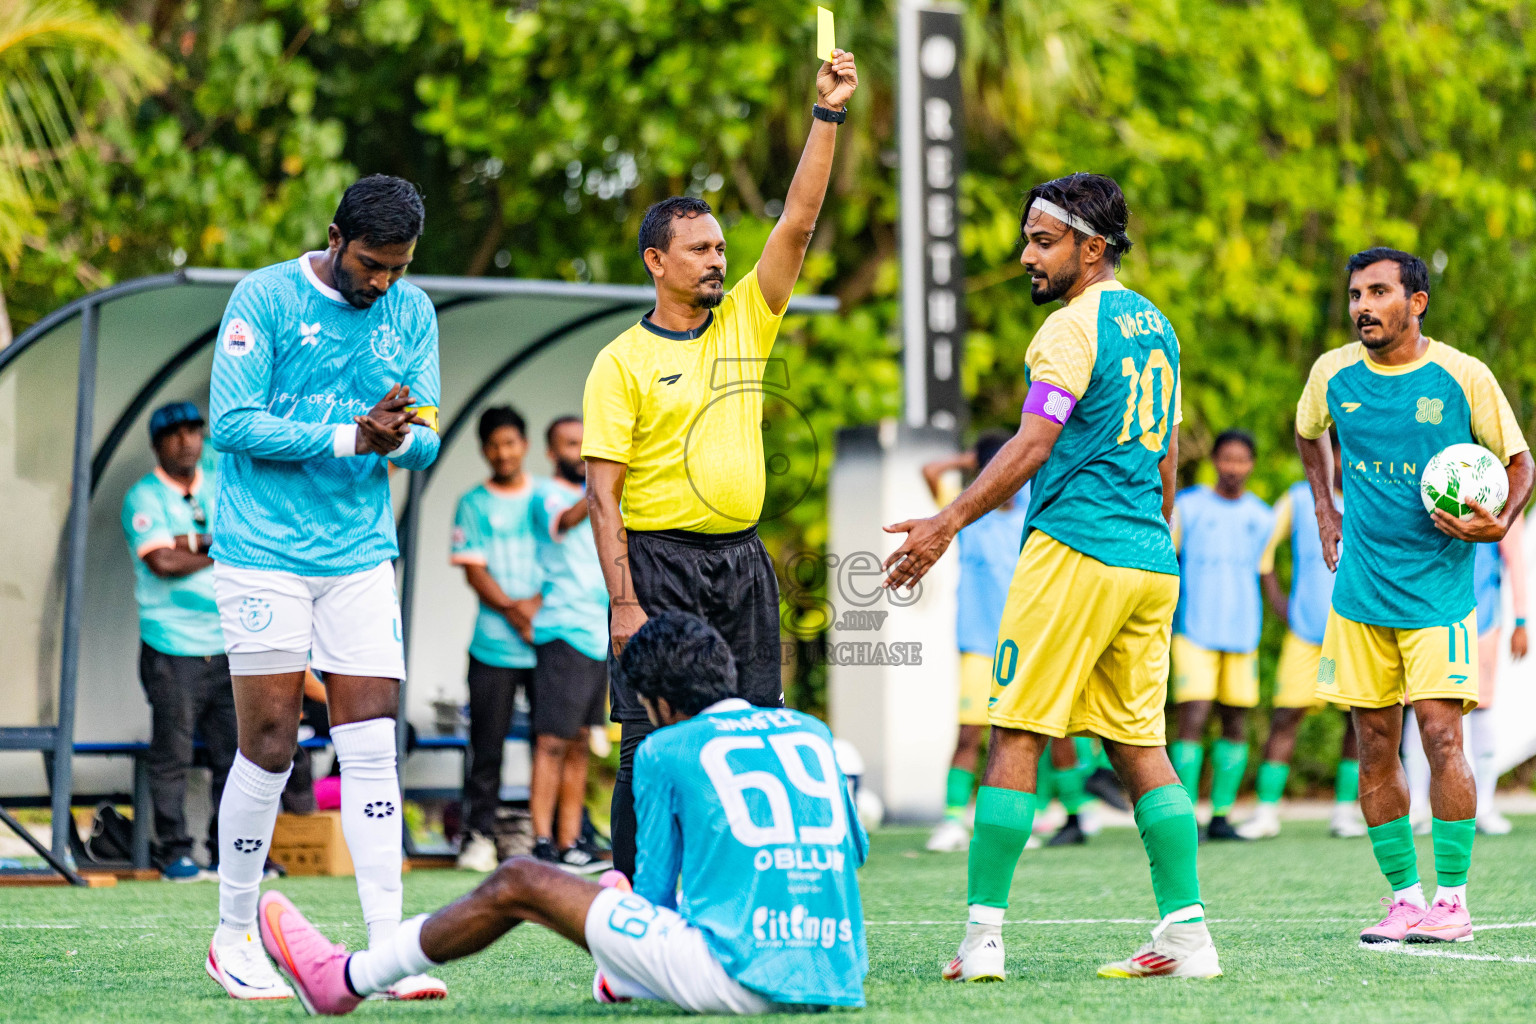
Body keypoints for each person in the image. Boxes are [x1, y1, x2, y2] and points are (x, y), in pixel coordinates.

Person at [883, 173, 1220, 981]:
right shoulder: (1158, 325)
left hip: (1074, 551)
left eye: (1042, 241)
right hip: (1148, 560)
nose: (1026, 256)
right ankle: (1188, 938)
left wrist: (943, 525)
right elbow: (1167, 448)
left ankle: (982, 941)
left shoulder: (1072, 328)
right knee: (1141, 747)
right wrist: (1157, 529)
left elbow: (1032, 445)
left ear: (1091, 248)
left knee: (1016, 733)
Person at [256, 612, 869, 1016]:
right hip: (837, 974)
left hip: (740, 978)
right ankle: (623, 974)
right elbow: (854, 852)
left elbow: (652, 897)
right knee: (608, 894)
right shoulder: (810, 732)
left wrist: (617, 913)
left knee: (522, 879)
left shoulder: (666, 746)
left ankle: (347, 978)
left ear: (655, 701)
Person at [582, 49, 859, 879]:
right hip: (657, 566)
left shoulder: (746, 321)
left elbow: (798, 224)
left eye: (719, 247)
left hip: (741, 563)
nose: (715, 259)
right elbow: (604, 498)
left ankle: (732, 890)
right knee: (649, 744)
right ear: (656, 263)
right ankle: (631, 912)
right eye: (697, 249)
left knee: (752, 736)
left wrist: (828, 115)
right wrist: (623, 604)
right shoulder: (620, 361)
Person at [203, 174, 446, 1001]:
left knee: (372, 742)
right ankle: (233, 935)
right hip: (261, 548)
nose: (383, 284)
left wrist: (398, 439)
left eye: (399, 269)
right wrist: (352, 433)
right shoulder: (264, 297)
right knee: (269, 743)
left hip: (357, 554)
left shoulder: (412, 313)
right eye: (373, 264)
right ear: (337, 237)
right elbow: (231, 423)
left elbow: (427, 440)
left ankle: (386, 951)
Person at [1295, 247, 1532, 947]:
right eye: (1355, 295)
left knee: (1439, 735)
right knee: (1373, 746)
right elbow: (1309, 434)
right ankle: (1403, 900)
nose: (1362, 306)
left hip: (1439, 591)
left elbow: (1521, 462)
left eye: (1378, 292)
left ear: (1416, 302)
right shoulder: (1332, 374)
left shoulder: (1463, 376)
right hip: (1360, 592)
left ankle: (1451, 902)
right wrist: (1324, 507)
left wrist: (1502, 520)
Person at [121, 401, 233, 882]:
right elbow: (161, 563)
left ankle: (234, 853)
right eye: (174, 433)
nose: (187, 440)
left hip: (229, 642)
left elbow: (248, 530)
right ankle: (175, 854)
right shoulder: (143, 496)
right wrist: (218, 547)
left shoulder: (219, 474)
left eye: (194, 430)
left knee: (237, 757)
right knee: (172, 756)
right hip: (171, 646)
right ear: (156, 444)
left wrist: (192, 543)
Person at [1238, 431, 1366, 840]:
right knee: (1285, 717)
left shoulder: (1372, 500)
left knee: (1360, 724)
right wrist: (1282, 607)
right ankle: (1266, 812)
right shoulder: (1298, 498)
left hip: (1357, 634)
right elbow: (1263, 554)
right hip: (1306, 632)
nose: (1344, 461)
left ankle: (1345, 812)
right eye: (1336, 453)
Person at [921, 433, 1030, 853]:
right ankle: (952, 821)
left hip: (1024, 642)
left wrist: (1013, 453)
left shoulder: (1032, 505)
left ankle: (1010, 822)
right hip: (979, 642)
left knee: (1019, 737)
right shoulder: (966, 510)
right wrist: (975, 459)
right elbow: (930, 471)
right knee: (970, 734)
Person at [449, 406, 545, 873]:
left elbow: (570, 558)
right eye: (493, 444)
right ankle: (479, 837)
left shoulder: (548, 498)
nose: (502, 452)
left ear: (524, 445)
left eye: (510, 442)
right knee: (486, 748)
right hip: (492, 646)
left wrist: (537, 609)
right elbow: (473, 569)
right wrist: (515, 610)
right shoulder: (473, 503)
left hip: (550, 640)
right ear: (484, 450)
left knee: (553, 745)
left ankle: (548, 838)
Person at [1168, 430, 1272, 841]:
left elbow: (1265, 574)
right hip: (1194, 629)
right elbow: (1169, 561)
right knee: (1192, 716)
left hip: (1242, 631)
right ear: (1213, 460)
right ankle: (1185, 813)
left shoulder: (1261, 516)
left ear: (1251, 465)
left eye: (1241, 460)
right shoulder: (1188, 507)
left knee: (1235, 720)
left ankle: (1222, 815)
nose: (1233, 467)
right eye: (1226, 459)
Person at [1404, 519, 1527, 835]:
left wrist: (1522, 621)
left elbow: (1516, 560)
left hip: (1481, 622)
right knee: (1420, 707)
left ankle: (1483, 806)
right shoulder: (1425, 479)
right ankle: (1417, 806)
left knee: (1482, 709)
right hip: (1427, 617)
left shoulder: (1500, 488)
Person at [527, 415, 612, 871]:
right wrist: (601, 485)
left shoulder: (595, 495)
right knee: (551, 743)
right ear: (551, 451)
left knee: (580, 741)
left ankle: (570, 842)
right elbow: (567, 519)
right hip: (562, 631)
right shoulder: (545, 494)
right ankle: (541, 841)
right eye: (570, 444)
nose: (579, 451)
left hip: (597, 634)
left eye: (585, 444)